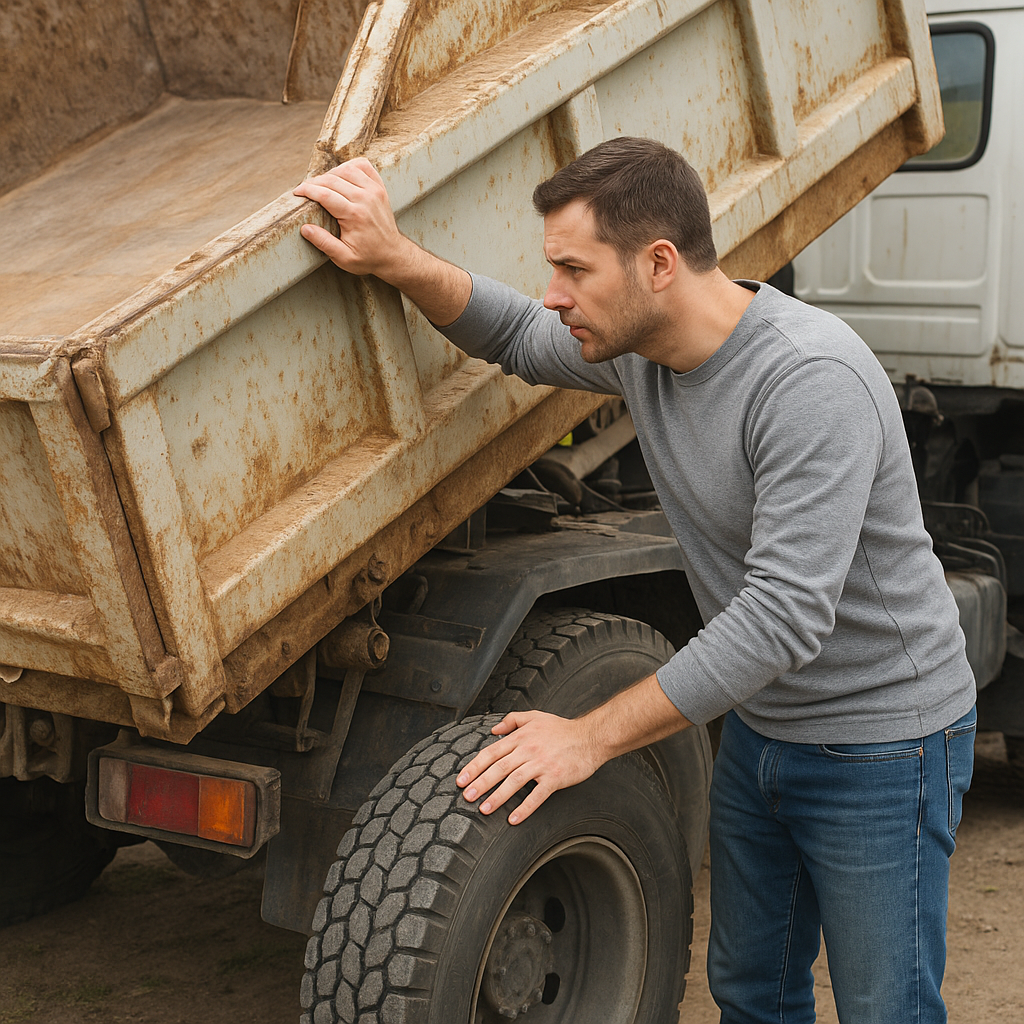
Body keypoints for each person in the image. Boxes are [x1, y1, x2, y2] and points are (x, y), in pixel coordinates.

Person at [294, 138, 977, 1024]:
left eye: (574, 270)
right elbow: (513, 333)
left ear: (658, 265)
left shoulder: (809, 381)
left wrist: (589, 737)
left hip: (883, 743)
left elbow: (781, 617)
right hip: (765, 728)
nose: (554, 294)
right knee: (752, 994)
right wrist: (394, 256)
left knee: (886, 1009)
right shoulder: (642, 349)